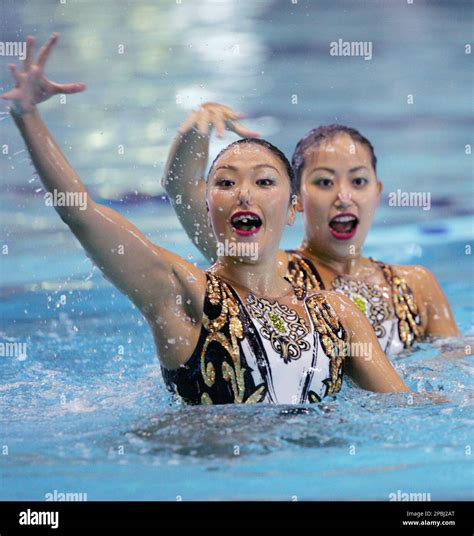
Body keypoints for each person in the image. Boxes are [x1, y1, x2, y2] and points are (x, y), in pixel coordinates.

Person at [2, 34, 409, 406]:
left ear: (292, 209)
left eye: (264, 181)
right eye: (226, 182)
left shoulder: (337, 313)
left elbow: (403, 410)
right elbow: (80, 212)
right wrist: (28, 116)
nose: (244, 193)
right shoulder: (183, 293)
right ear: (208, 205)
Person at [162, 102, 459, 355]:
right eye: (324, 182)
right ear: (297, 200)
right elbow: (183, 189)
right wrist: (195, 129)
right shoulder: (266, 271)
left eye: (358, 182)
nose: (344, 197)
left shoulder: (415, 284)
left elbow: (454, 368)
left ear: (377, 192)